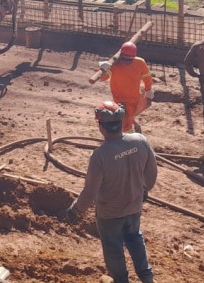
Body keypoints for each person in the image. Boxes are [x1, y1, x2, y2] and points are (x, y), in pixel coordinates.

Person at [65, 102, 158, 283]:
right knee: (135, 237)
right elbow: (152, 172)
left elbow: (90, 191)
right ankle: (147, 278)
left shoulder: (100, 156)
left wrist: (76, 210)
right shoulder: (140, 141)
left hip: (110, 215)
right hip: (134, 207)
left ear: (101, 127)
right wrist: (145, 189)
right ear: (122, 122)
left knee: (113, 247)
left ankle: (121, 280)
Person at [98, 42, 154, 133]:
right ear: (121, 56)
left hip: (134, 99)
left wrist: (148, 90)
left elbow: (147, 77)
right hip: (119, 100)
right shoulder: (115, 65)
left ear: (134, 56)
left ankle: (130, 120)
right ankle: (128, 138)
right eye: (125, 59)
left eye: (130, 60)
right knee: (125, 125)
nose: (127, 62)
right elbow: (103, 78)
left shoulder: (140, 63)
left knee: (134, 112)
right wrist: (103, 69)